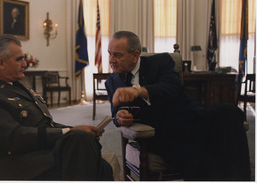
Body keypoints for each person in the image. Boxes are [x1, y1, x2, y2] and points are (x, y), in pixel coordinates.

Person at [105, 31, 251, 181]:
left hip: (191, 117)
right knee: (199, 158)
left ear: (135, 55)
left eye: (117, 55)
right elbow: (116, 113)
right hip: (163, 134)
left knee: (230, 112)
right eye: (109, 54)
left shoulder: (161, 61)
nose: (111, 60)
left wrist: (139, 91)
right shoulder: (112, 82)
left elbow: (172, 88)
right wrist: (120, 117)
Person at [0, 35, 113, 181]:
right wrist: (70, 132)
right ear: (1, 63)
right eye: (19, 59)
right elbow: (14, 137)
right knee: (81, 142)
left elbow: (46, 125)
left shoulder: (23, 90)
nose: (25, 64)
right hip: (20, 165)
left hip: (43, 155)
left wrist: (76, 128)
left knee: (98, 159)